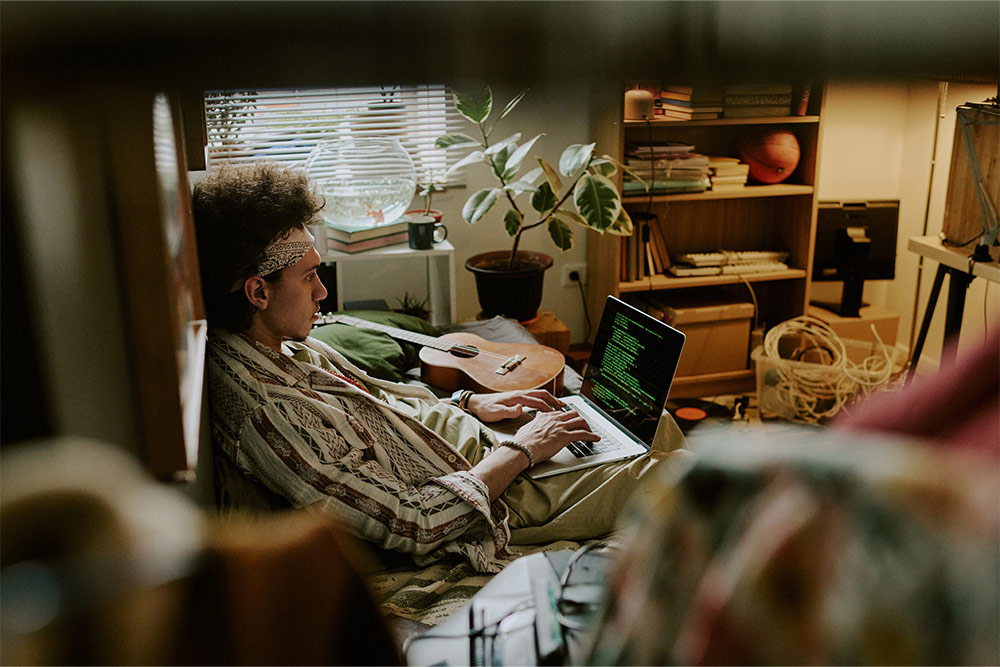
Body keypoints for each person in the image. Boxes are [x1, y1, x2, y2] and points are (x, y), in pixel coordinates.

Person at [193, 162, 688, 573]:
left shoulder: (283, 349)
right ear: (258, 292)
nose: (323, 291)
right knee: (679, 477)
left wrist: (472, 403)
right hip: (495, 490)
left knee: (646, 421)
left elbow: (383, 405)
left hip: (480, 439)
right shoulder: (269, 414)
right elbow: (414, 521)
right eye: (308, 277)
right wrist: (524, 449)